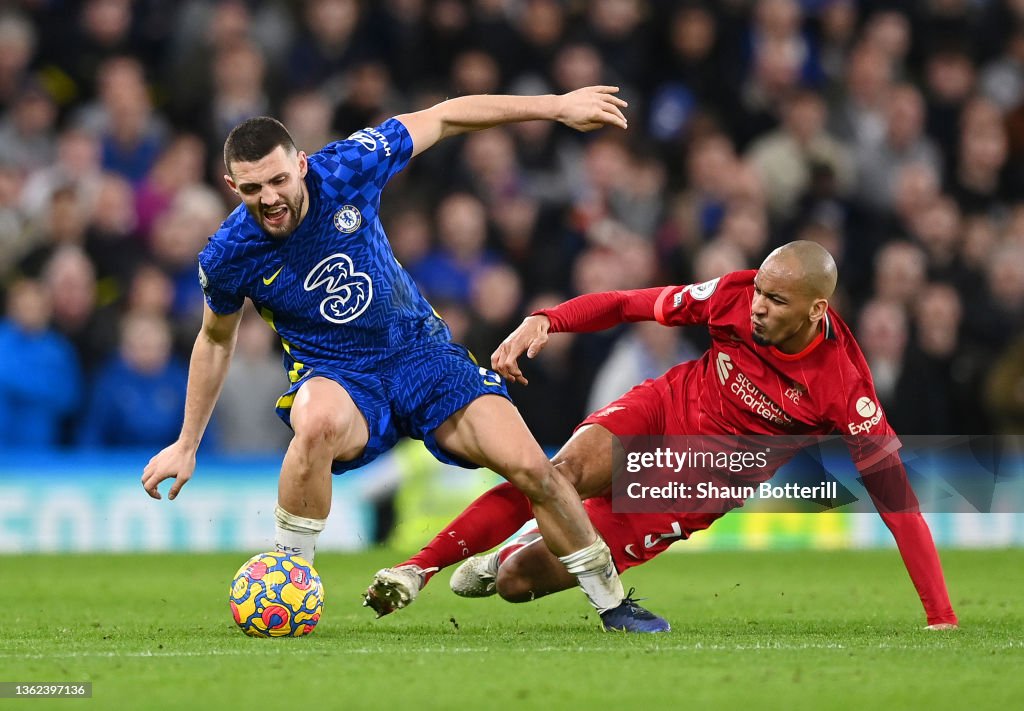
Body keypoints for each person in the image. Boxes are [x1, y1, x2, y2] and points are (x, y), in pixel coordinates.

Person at [139, 86, 669, 632]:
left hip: (424, 355)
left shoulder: (347, 167)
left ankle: (612, 603)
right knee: (316, 423)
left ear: (301, 164)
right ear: (232, 186)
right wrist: (187, 442)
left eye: (279, 180)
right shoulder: (228, 254)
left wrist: (555, 107)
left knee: (534, 468)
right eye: (252, 189)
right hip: (338, 374)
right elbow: (216, 339)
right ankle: (289, 586)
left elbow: (443, 118)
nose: (270, 197)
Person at [390, 242, 959, 630]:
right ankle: (419, 567)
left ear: (817, 309)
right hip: (663, 407)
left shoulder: (844, 385)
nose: (757, 306)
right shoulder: (732, 296)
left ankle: (514, 552)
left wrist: (941, 617)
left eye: (776, 300)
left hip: (696, 485)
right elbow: (627, 303)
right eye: (760, 289)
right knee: (552, 475)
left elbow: (897, 503)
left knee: (516, 583)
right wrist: (548, 319)